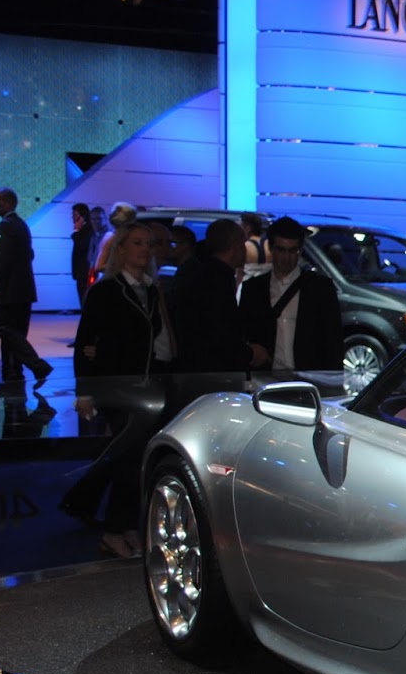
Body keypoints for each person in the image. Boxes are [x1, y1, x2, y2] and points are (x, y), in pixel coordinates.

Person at [62, 222, 171, 558]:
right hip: (116, 388)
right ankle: (113, 528)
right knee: (128, 459)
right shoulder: (106, 291)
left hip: (144, 389)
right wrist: (84, 391)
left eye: (148, 244)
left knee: (132, 459)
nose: (144, 249)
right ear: (121, 248)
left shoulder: (151, 290)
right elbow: (86, 341)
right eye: (137, 243)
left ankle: (121, 524)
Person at [168, 218, 268, 384]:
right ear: (236, 246)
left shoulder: (200, 275)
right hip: (214, 377)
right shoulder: (218, 282)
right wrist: (251, 353)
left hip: (194, 372)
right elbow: (221, 336)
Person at [238, 216, 343, 372]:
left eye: (293, 250)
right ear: (271, 248)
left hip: (308, 378)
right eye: (281, 250)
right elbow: (244, 335)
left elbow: (333, 340)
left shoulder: (320, 288)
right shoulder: (253, 289)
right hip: (266, 377)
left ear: (300, 251)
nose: (287, 258)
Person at [0, 187, 52, 388]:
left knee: (5, 328)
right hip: (24, 290)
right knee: (16, 332)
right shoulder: (21, 225)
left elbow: (4, 261)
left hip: (10, 291)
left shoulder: (6, 226)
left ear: (7, 203)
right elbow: (29, 255)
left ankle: (36, 365)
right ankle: (14, 374)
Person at [70, 202, 93, 307]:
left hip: (84, 271)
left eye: (75, 215)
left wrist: (76, 232)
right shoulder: (83, 229)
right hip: (81, 272)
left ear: (83, 216)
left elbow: (82, 246)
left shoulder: (88, 229)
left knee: (84, 299)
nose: (73, 218)